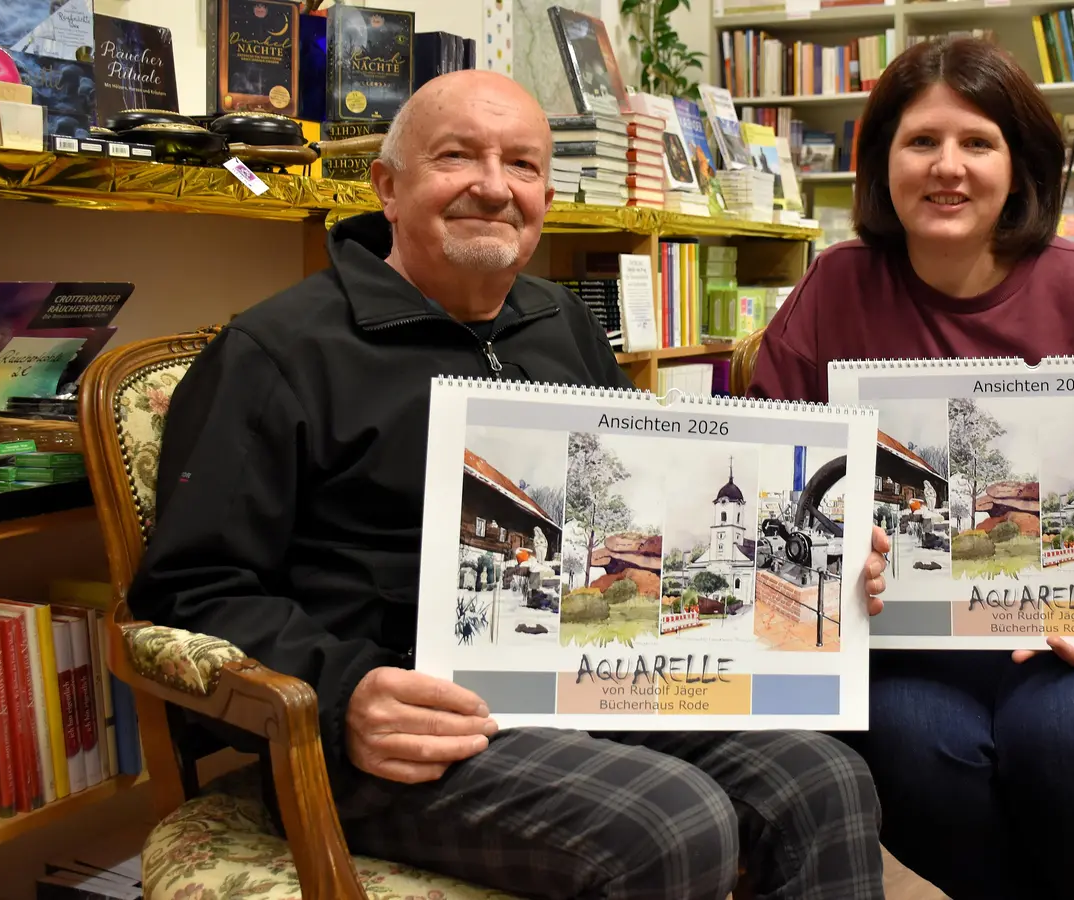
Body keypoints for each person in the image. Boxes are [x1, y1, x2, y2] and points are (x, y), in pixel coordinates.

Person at [128, 69, 891, 900]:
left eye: (522, 165)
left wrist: (822, 558)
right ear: (388, 185)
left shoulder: (561, 323)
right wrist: (344, 693)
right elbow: (190, 590)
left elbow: (639, 512)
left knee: (825, 779)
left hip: (577, 688)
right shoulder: (277, 352)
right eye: (457, 157)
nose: (494, 187)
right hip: (398, 732)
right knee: (672, 820)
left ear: (546, 194)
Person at [746, 38, 1074, 900]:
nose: (948, 168)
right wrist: (837, 551)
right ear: (881, 162)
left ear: (1020, 164)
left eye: (977, 142)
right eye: (920, 142)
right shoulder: (833, 289)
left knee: (1068, 735)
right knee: (909, 744)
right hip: (914, 639)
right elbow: (778, 499)